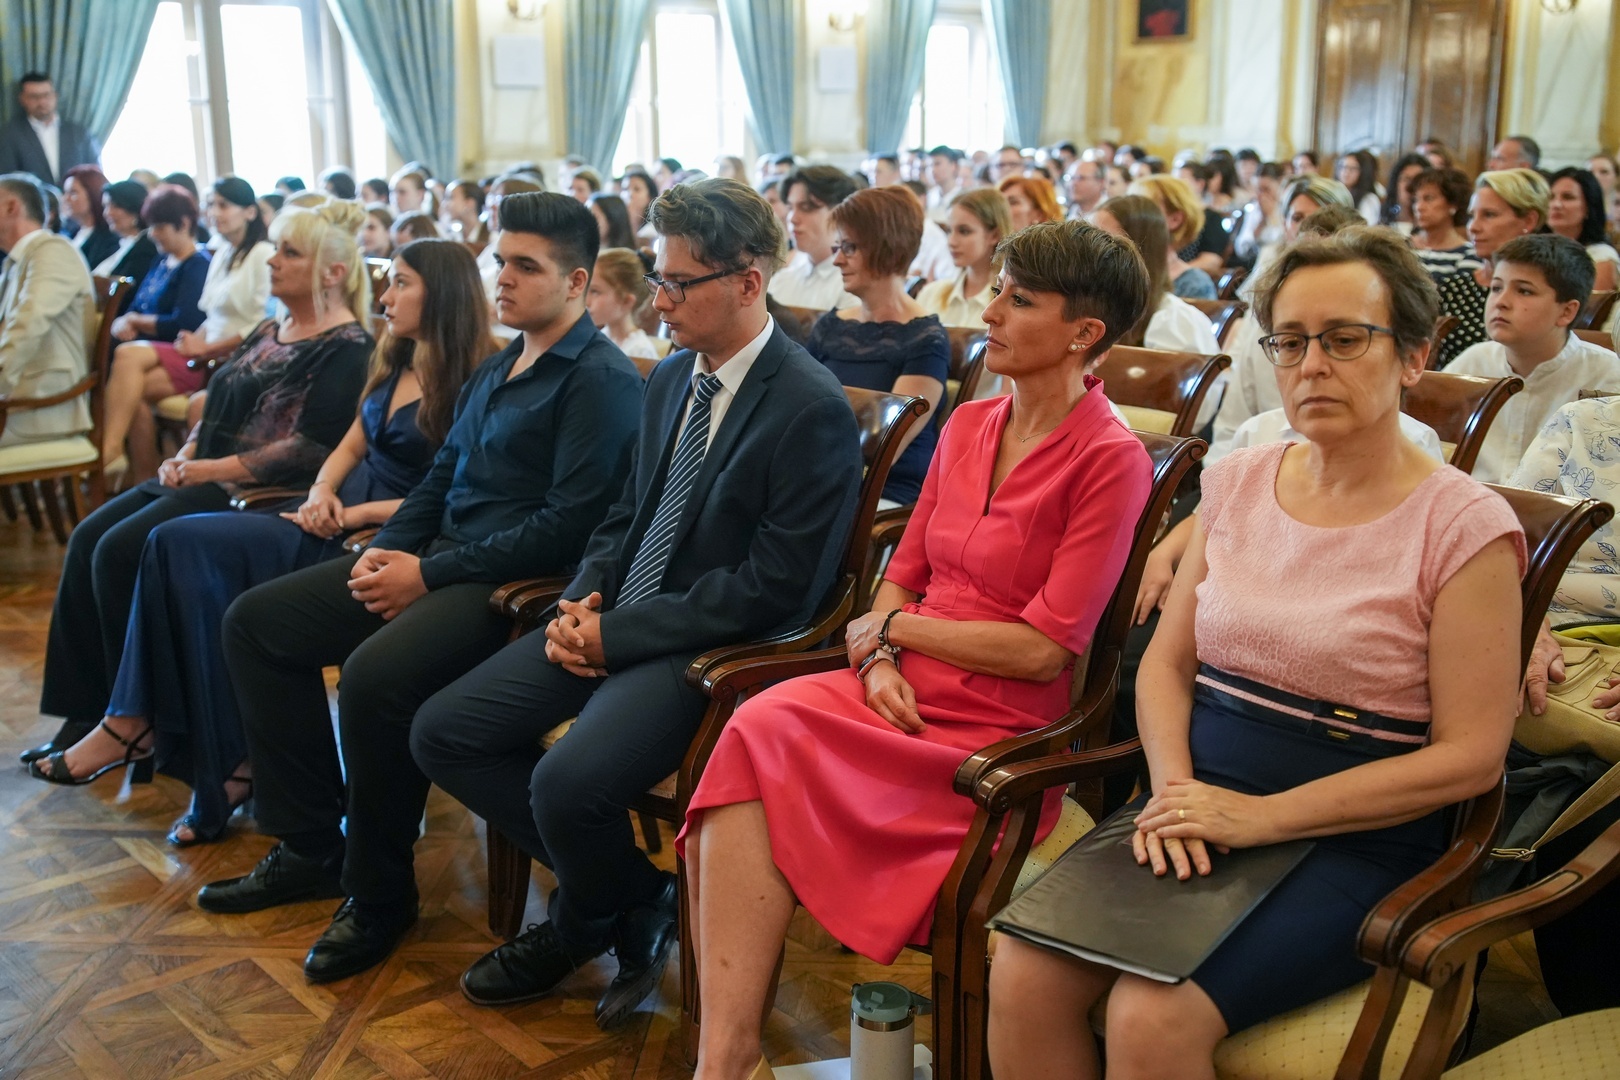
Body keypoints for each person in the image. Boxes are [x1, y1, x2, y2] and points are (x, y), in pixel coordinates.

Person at [990, 225, 1524, 1080]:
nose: (1312, 366)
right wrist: (1173, 792)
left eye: (1345, 340)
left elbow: (1471, 757)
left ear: (1415, 356)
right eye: (1290, 341)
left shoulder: (1463, 525)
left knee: (1151, 1016)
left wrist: (1261, 819)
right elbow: (1166, 667)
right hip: (1197, 794)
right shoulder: (1240, 481)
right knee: (1023, 971)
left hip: (1358, 834)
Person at [671, 219, 1153, 1077]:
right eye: (997, 290)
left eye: (1019, 300)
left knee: (763, 729)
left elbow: (1044, 651)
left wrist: (892, 632)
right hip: (900, 683)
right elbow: (905, 572)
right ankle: (727, 1057)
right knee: (753, 727)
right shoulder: (970, 423)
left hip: (999, 721)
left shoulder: (1110, 458)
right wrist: (879, 658)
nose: (989, 311)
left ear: (1085, 332)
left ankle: (728, 1058)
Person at [409, 177, 862, 1028]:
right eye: (658, 278)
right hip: (617, 615)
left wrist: (617, 635)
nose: (659, 301)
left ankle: (576, 924)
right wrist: (580, 600)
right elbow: (626, 513)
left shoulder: (810, 407)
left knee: (566, 782)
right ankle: (633, 896)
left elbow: (775, 588)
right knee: (443, 731)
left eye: (678, 283)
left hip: (702, 646)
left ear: (748, 281)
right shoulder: (674, 377)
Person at [193, 193, 644, 987]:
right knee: (258, 624)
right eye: (500, 260)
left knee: (374, 678)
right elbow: (441, 479)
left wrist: (427, 573)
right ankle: (310, 844)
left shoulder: (600, 379)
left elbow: (569, 525)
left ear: (577, 282)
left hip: (505, 584)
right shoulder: (501, 364)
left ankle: (378, 896)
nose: (502, 278)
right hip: (438, 557)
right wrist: (389, 553)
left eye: (526, 266)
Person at [39, 240, 486, 847]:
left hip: (381, 530)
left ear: (443, 295)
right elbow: (349, 446)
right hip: (326, 512)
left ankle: (210, 758)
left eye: (401, 283)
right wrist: (323, 490)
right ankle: (169, 734)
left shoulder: (472, 380)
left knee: (195, 559)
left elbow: (448, 494)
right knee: (172, 546)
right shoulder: (395, 356)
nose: (384, 295)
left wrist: (350, 510)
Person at [24, 202, 374, 772]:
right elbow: (218, 401)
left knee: (118, 551)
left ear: (333, 273)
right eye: (276, 249)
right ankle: (89, 711)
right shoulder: (272, 327)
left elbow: (304, 450)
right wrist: (185, 451)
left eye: (290, 253)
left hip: (255, 491)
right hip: (205, 472)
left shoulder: (349, 348)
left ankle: (142, 721)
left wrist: (203, 469)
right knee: (88, 538)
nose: (273, 261)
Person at [804, 185, 948, 506]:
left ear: (890, 249)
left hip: (883, 496)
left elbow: (884, 450)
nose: (837, 260)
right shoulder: (831, 326)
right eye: (838, 246)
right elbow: (794, 410)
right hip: (820, 481)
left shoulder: (925, 339)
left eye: (850, 247)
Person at [1445, 234, 1618, 484]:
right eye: (1496, 287)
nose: (1501, 302)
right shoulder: (1471, 363)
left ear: (1566, 311)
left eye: (1524, 291)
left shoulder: (1607, 376)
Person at [1210, 177, 1356, 460]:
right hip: (1260, 459)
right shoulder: (1264, 323)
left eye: (1319, 221)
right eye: (1298, 219)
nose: (1309, 234)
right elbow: (1230, 426)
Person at [100, 185, 212, 472]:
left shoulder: (198, 264)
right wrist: (125, 321)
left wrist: (136, 322)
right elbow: (136, 306)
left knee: (126, 356)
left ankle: (109, 451)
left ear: (183, 224)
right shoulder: (161, 261)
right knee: (131, 400)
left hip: (187, 354)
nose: (152, 234)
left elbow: (184, 322)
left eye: (159, 227)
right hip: (153, 354)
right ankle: (144, 477)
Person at [0, 172, 92, 448]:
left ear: (11, 207)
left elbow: (27, 325)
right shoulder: (15, 262)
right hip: (18, 399)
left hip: (41, 406)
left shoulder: (53, 251)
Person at [1435, 169, 1552, 371]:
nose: (1473, 227)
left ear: (1529, 220)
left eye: (1489, 215)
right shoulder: (1450, 290)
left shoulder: (1547, 292)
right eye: (1472, 216)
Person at [1091, 195, 1221, 359]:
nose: (1091, 252)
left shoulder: (1175, 321)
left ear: (1138, 250)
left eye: (1105, 243)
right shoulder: (1087, 309)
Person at [767, 165, 860, 310]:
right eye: (790, 208)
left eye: (805, 208)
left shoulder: (854, 284)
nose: (792, 218)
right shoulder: (782, 279)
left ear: (840, 213)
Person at [917, 188, 1010, 328]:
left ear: (994, 235)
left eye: (964, 231)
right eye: (949, 230)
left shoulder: (1009, 302)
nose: (951, 241)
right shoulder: (930, 294)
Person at [0, 73, 99, 187]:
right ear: (22, 99)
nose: (42, 102)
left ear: (55, 96)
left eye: (46, 95)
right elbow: (7, 180)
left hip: (74, 197)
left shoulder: (79, 133)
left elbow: (95, 174)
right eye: (34, 97)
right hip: (33, 197)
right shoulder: (9, 135)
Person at [1129, 175, 1220, 295]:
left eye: (1142, 209)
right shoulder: (1123, 271)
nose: (1129, 216)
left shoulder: (1194, 285)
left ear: (1175, 219)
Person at [587, 247, 662, 369]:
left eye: (595, 292)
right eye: (587, 290)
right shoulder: (598, 337)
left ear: (626, 301)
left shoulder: (640, 350)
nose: (586, 301)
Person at [1548, 167, 1618, 293]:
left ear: (1588, 208)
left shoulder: (1601, 257)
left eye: (1568, 197)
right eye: (1551, 197)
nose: (1556, 204)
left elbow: (1594, 305)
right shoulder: (1539, 250)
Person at [95, 179, 160, 297]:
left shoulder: (146, 247)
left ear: (134, 208)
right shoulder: (115, 245)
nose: (107, 213)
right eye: (105, 206)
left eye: (115, 206)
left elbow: (128, 293)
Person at [61, 165, 116, 268]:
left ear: (93, 194)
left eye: (73, 192)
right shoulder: (70, 235)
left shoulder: (109, 240)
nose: (65, 199)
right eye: (65, 193)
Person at [1335, 149, 1383, 225]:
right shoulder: (1334, 194)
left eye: (1352, 168)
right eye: (1342, 167)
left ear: (1362, 172)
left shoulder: (1369, 199)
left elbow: (1366, 226)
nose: (1346, 172)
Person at [441, 179, 489, 251]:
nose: (444, 204)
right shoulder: (452, 235)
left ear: (469, 203)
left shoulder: (491, 236)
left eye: (450, 198)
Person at [926, 145, 965, 223]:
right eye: (930, 165)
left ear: (953, 166)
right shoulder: (929, 196)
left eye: (937, 164)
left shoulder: (964, 198)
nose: (933, 170)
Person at [621, 171, 657, 238]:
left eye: (637, 189)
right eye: (625, 189)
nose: (630, 194)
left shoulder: (652, 230)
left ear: (649, 196)